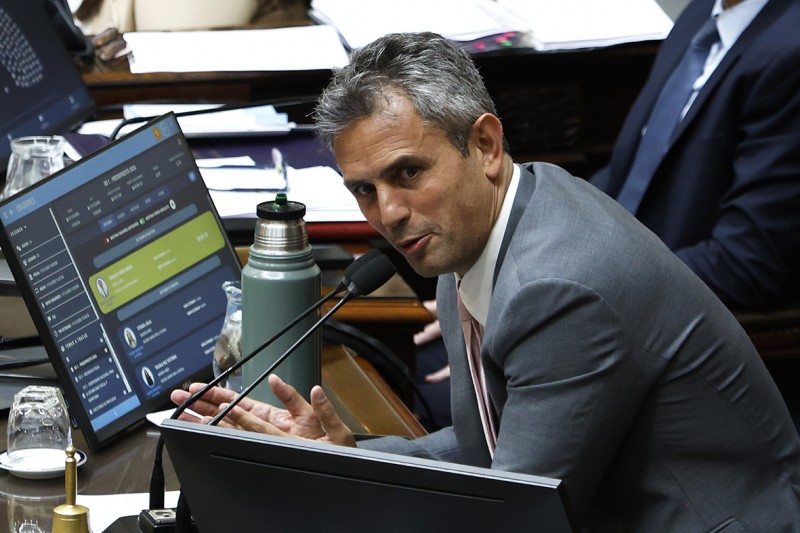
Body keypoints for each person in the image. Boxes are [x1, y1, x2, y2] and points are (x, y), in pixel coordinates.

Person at [171, 32, 800, 530]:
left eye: (408, 172)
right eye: (364, 189)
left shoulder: (559, 289)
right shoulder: (473, 230)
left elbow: (513, 514)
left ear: (487, 144)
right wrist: (345, 458)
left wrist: (342, 491)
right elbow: (486, 450)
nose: (388, 213)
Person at [590, 0, 800, 311]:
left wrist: (595, 278)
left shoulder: (790, 51)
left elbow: (745, 264)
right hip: (616, 258)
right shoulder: (703, 12)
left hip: (671, 309)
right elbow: (626, 175)